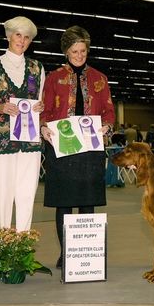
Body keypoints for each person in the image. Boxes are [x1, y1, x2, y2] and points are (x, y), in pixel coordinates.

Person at [40, 25, 115, 268]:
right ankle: (66, 253)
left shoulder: (100, 79)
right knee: (63, 202)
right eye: (74, 51)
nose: (79, 56)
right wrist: (44, 128)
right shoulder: (53, 79)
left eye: (83, 51)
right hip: (61, 148)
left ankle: (85, 252)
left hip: (90, 149)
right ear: (66, 51)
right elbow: (46, 111)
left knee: (87, 201)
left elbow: (109, 111)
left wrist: (106, 127)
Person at [0, 16, 45, 231]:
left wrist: (41, 107)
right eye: (18, 35)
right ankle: (4, 246)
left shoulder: (37, 67)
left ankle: (23, 245)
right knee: (3, 193)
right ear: (9, 36)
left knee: (27, 193)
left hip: (29, 141)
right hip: (1, 141)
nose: (22, 40)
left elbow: (42, 100)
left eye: (27, 37)